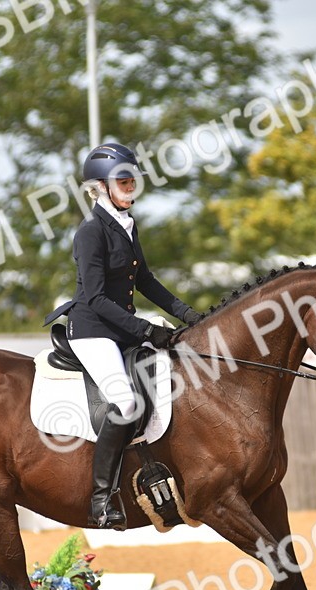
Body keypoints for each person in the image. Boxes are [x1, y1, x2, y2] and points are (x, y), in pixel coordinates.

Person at [43, 142, 202, 530]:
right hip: (94, 332)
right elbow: (95, 298)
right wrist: (148, 330)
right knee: (127, 403)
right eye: (123, 179)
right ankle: (101, 499)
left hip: (121, 328)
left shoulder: (127, 226)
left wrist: (189, 315)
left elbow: (145, 280)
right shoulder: (91, 232)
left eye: (133, 178)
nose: (131, 185)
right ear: (100, 186)